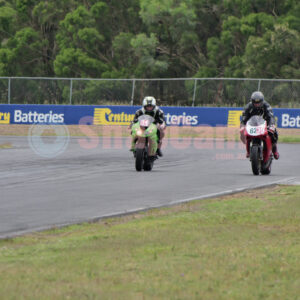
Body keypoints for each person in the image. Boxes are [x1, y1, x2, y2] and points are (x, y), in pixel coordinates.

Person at [240, 91, 279, 159]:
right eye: (255, 102)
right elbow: (244, 118)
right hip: (252, 125)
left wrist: (271, 125)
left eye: (259, 102)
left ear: (262, 101)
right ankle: (248, 151)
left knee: (273, 132)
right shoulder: (248, 107)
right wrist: (242, 126)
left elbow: (271, 117)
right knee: (243, 133)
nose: (257, 104)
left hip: (265, 124)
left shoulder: (266, 106)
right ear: (252, 101)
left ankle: (274, 150)